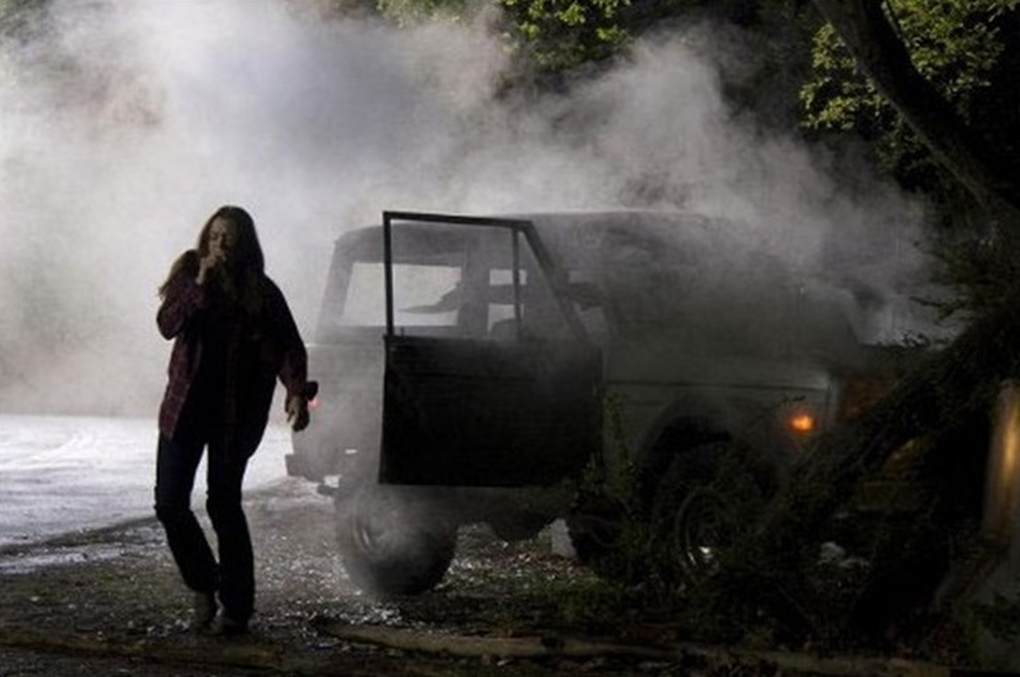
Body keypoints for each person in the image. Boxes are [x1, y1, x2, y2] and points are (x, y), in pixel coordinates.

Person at [154, 205, 310, 635]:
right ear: (206, 239)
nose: (221, 244)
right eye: (215, 236)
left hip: (234, 416)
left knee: (223, 504)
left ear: (244, 244)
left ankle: (237, 609)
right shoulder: (189, 275)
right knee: (169, 504)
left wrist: (296, 391)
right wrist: (199, 285)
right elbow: (167, 325)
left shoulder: (261, 290)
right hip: (184, 410)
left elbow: (289, 345)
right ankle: (204, 583)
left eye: (229, 237)